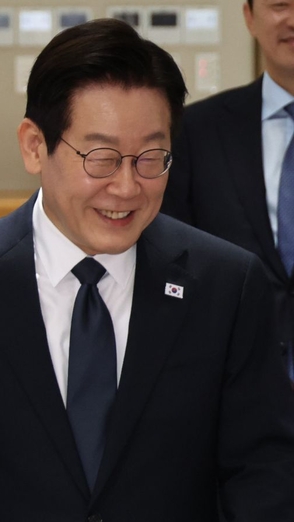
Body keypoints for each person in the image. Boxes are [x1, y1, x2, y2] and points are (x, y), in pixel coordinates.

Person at [0, 18, 294, 522]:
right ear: (34, 145)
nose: (127, 187)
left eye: (151, 157)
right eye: (102, 157)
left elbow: (263, 478)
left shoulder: (224, 285)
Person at [162, 0, 294, 381]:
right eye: (280, 5)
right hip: (232, 371)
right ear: (250, 17)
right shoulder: (197, 130)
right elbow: (172, 253)